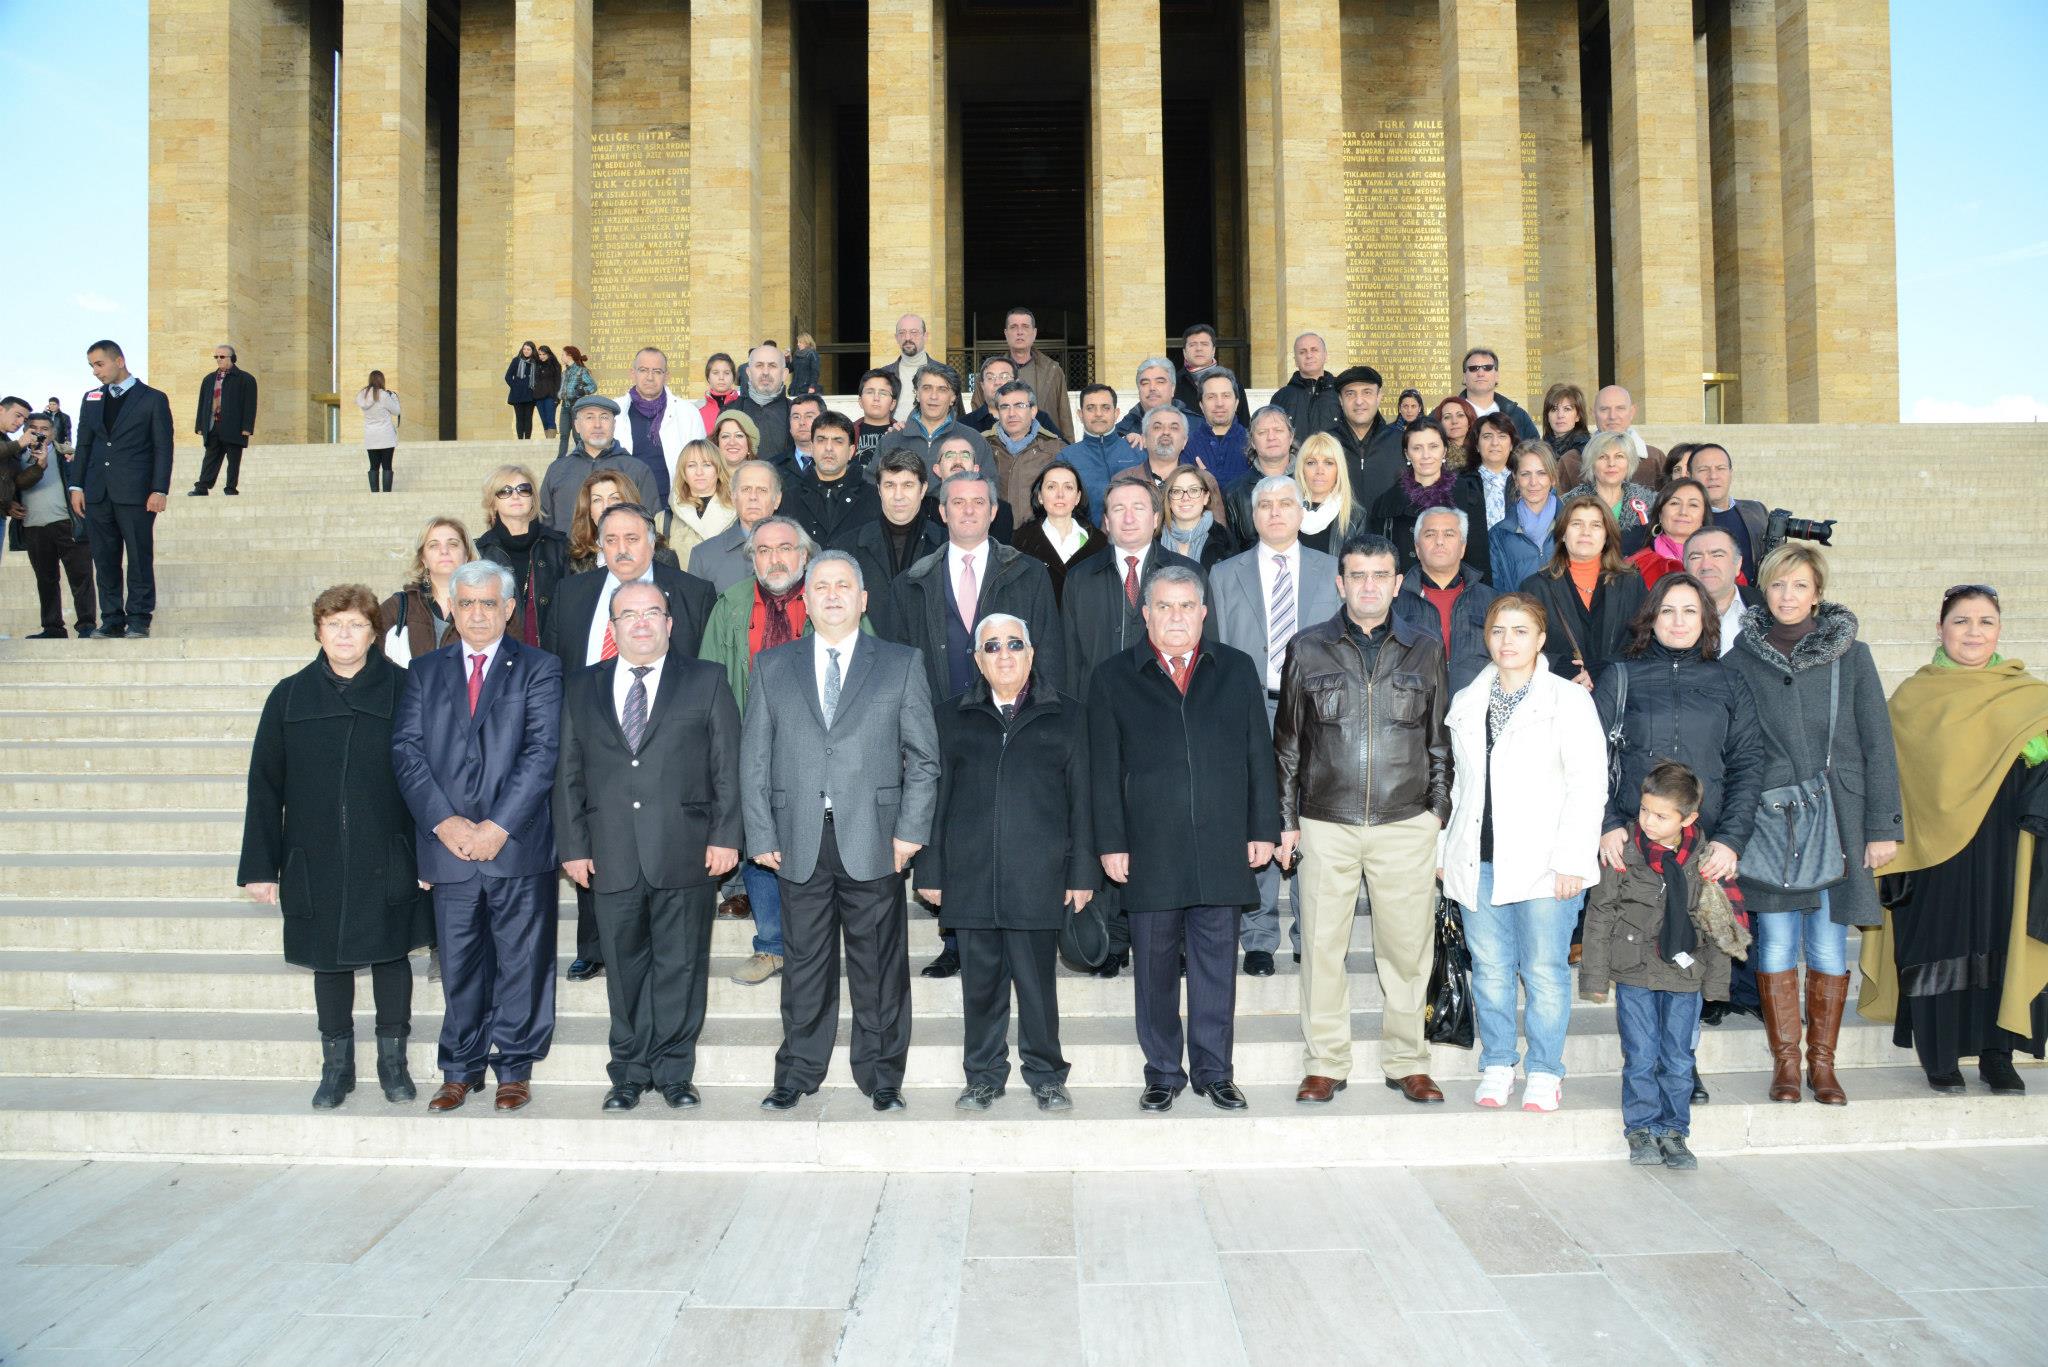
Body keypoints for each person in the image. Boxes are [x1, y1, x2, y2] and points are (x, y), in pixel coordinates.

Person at [744, 550, 941, 1111]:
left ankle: (882, 1076)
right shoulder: (773, 666)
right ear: (805, 600)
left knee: (878, 962)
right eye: (821, 586)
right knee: (803, 962)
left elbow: (923, 757)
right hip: (796, 838)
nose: (832, 594)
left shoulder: (900, 663)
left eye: (843, 585)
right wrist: (758, 832)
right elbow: (754, 757)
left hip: (876, 836)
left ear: (863, 599)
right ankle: (798, 1070)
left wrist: (911, 831)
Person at [1090, 566, 1278, 1111]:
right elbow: (1103, 769)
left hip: (1222, 842)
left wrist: (1261, 828)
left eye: (1186, 606)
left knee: (1217, 966)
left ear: (1203, 613)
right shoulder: (1113, 677)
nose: (1176, 617)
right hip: (1148, 846)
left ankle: (1215, 1071)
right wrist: (1110, 842)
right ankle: (1162, 1073)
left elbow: (1257, 755)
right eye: (1164, 607)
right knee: (1152, 969)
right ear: (1145, 614)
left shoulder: (1236, 669)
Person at [1719, 545, 1901, 1104]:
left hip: (1838, 819)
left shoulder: (1854, 655)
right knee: (1774, 945)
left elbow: (1878, 743)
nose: (1788, 596)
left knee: (1825, 946)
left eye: (1799, 586)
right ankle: (1785, 1066)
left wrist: (1882, 826)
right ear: (1763, 592)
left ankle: (1823, 1065)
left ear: (1817, 592)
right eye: (1777, 586)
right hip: (1770, 823)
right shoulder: (1738, 660)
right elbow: (1732, 749)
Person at [1275, 533, 1452, 1106]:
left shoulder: (1425, 648)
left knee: (1406, 950)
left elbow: (1439, 740)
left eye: (1380, 576)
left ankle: (1408, 1060)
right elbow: (1287, 745)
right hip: (1326, 820)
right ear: (1340, 582)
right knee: (1322, 946)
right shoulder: (1306, 648)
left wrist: (1438, 817)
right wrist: (1286, 821)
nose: (1369, 586)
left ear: (1398, 583)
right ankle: (1325, 1061)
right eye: (1358, 575)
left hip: (1406, 822)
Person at [240, 583, 433, 1108]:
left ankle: (393, 1064)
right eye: (333, 625)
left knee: (392, 955)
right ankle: (337, 1067)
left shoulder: (405, 689)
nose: (344, 634)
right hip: (314, 853)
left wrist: (429, 854)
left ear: (373, 633)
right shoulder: (288, 696)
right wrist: (261, 866)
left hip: (388, 849)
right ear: (319, 632)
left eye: (355, 625)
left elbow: (427, 777)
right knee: (329, 959)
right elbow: (265, 784)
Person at [553, 580, 741, 1111]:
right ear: (613, 628)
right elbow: (566, 773)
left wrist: (727, 836)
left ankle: (675, 1071)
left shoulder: (706, 680)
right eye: (628, 614)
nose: (640, 622)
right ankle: (629, 1072)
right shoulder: (580, 687)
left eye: (651, 613)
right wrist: (572, 846)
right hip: (609, 851)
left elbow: (728, 766)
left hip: (686, 849)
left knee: (681, 965)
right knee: (624, 966)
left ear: (669, 622)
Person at [389, 559, 562, 1112]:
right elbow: (407, 752)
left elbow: (542, 754)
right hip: (450, 849)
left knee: (522, 962)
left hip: (516, 845)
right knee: (460, 963)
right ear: (451, 609)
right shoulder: (423, 671)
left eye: (490, 603)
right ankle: (460, 1068)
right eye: (467, 603)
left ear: (510, 609)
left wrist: (497, 826)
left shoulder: (539, 668)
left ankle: (514, 1067)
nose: (479, 614)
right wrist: (445, 823)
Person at [1862, 585, 2048, 1095]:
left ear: (2000, 630)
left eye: (1985, 621)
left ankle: (1997, 1056)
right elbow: (1889, 773)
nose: (1973, 631)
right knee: (1937, 945)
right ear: (1940, 630)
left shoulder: (2031, 696)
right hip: (1932, 848)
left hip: (2006, 845)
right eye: (1961, 621)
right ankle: (1939, 1055)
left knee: (2001, 943)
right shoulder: (1913, 697)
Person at [916, 613, 1093, 1110]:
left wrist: (1082, 872)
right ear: (977, 660)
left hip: (1038, 876)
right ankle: (983, 1075)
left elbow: (1083, 801)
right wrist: (930, 871)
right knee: (980, 988)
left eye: (1015, 643)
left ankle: (1046, 1074)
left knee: (1038, 988)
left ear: (1032, 653)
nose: (1004, 654)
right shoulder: (950, 716)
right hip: (970, 876)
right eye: (991, 646)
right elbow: (934, 797)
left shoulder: (1069, 715)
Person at [1440, 593, 1606, 1111]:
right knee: (1488, 969)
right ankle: (1496, 1062)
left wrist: (1573, 861)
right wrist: (1445, 850)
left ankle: (1544, 1069)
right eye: (1497, 631)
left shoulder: (1568, 700)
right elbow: (1456, 787)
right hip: (1480, 859)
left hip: (1545, 865)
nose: (1506, 641)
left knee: (1543, 970)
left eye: (1519, 631)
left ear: (1539, 640)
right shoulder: (1468, 699)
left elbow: (1588, 784)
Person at [1060, 472, 1211, 978]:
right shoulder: (1082, 578)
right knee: (1109, 823)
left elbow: (1205, 650)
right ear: (1104, 521)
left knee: (1169, 829)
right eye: (1118, 508)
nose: (1128, 516)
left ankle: (1183, 944)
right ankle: (1113, 941)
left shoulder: (1185, 573)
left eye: (1139, 507)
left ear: (1157, 516)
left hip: (1170, 724)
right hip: (1101, 724)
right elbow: (1070, 661)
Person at [1580, 761, 1749, 1170]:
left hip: (1685, 974)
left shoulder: (1707, 862)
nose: (1648, 822)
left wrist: (1715, 987)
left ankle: (1674, 1131)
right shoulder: (1624, 854)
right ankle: (1640, 1129)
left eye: (1661, 816)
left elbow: (1717, 927)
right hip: (1634, 969)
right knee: (1640, 1054)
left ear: (1688, 818)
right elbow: (1601, 915)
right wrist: (1596, 975)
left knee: (1677, 1057)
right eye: (1643, 811)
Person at [1210, 475, 1340, 972]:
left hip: (1318, 712)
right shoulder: (1225, 574)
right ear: (1253, 513)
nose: (1276, 512)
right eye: (1264, 504)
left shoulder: (1334, 571)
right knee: (1259, 815)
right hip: (1251, 708)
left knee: (1315, 818)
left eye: (1286, 503)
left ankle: (1311, 932)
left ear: (1302, 511)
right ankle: (1259, 934)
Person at [701, 515, 830, 983]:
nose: (774, 559)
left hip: (819, 749)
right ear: (751, 558)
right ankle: (771, 945)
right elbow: (710, 680)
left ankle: (815, 946)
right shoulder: (731, 605)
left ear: (803, 555)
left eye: (784, 549)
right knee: (760, 843)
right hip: (749, 746)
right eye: (763, 550)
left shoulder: (831, 596)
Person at [1595, 572, 1765, 909]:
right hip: (1631, 839)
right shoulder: (1620, 676)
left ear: (1705, 619)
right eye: (1667, 611)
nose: (1678, 622)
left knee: (1703, 956)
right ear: (1651, 617)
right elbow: (1589, 760)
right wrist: (1608, 823)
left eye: (1689, 611)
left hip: (1706, 843)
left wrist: (1730, 840)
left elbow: (1747, 764)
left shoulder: (1730, 681)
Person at [70, 340, 173, 639]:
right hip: (97, 493)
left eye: (99, 364)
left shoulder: (152, 398)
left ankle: (139, 618)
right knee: (104, 558)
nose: (95, 372)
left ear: (119, 360)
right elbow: (85, 443)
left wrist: (159, 489)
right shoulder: (90, 398)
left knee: (140, 557)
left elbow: (162, 446)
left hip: (137, 493)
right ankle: (112, 619)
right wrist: (77, 485)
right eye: (91, 366)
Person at [1519, 494, 1647, 689]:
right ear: (1562, 534)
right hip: (1558, 692)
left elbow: (1644, 640)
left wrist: (1604, 668)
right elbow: (1522, 643)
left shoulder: (1631, 582)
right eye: (1576, 524)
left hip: (1620, 692)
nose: (1586, 532)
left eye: (1596, 525)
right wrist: (1559, 667)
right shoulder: (1535, 587)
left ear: (1606, 536)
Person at [1393, 507, 1498, 693]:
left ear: (1463, 547)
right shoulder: (1394, 602)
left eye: (1449, 534)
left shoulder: (1492, 601)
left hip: (1475, 711)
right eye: (1430, 534)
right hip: (1413, 714)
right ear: (1417, 548)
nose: (1439, 541)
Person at [1370, 419, 1488, 578]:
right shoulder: (1386, 504)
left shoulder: (1468, 498)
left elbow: (1479, 563)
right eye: (1417, 448)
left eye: (1433, 447)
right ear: (1407, 454)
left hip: (1456, 595)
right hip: (1403, 596)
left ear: (1444, 451)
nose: (1426, 455)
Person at [15, 410, 97, 639]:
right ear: (25, 430)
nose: (40, 433)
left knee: (81, 577)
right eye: (34, 429)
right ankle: (52, 627)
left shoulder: (67, 456)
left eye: (45, 429)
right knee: (46, 579)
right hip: (33, 526)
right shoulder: (16, 457)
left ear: (53, 432)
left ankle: (87, 626)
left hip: (68, 523)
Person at [835, 449, 943, 619]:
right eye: (890, 485)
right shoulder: (847, 547)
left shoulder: (946, 546)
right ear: (878, 490)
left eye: (908, 485)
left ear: (923, 490)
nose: (898, 496)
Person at [474, 465, 567, 649]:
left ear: (533, 498)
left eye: (523, 489)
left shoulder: (560, 547)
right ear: (493, 502)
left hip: (552, 656)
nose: (515, 495)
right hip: (497, 658)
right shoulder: (478, 553)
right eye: (505, 491)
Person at [539, 394, 659, 533]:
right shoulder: (557, 470)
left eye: (604, 417)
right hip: (567, 553)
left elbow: (651, 525)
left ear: (614, 425)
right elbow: (544, 522)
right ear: (577, 426)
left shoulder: (637, 470)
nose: (597, 425)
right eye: (589, 417)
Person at [612, 346, 709, 507]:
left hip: (674, 507)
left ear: (667, 376)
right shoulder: (614, 412)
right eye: (643, 370)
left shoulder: (688, 413)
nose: (650, 377)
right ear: (632, 374)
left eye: (657, 371)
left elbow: (702, 461)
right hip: (626, 506)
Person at [376, 517, 472, 664]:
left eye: (453, 544)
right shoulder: (398, 606)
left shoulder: (489, 604)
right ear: (423, 558)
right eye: (434, 545)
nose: (444, 551)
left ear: (466, 555)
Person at [1009, 459, 1105, 605]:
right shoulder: (1020, 541)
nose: (1060, 494)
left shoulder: (1099, 543)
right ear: (1040, 496)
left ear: (1078, 497)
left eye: (1068, 487)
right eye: (1051, 487)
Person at [874, 361, 994, 472]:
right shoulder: (892, 440)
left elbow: (988, 487)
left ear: (953, 397)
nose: (934, 396)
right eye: (927, 388)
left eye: (942, 389)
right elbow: (871, 485)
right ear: (917, 393)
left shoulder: (974, 440)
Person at [689, 458, 784, 594]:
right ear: (733, 497)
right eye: (746, 489)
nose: (753, 497)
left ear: (777, 499)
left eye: (762, 490)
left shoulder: (803, 550)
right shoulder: (704, 556)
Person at [786, 412, 880, 545]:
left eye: (838, 441)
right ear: (812, 448)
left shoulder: (873, 499)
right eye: (821, 440)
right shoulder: (789, 499)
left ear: (851, 451)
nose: (829, 448)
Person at [1687, 443, 1768, 584]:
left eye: (1721, 468)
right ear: (1689, 476)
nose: (1713, 476)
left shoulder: (1756, 511)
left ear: (1731, 473)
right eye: (1703, 470)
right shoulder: (1683, 519)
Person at [1326, 364, 1402, 515]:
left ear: (1379, 396)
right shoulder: (1326, 444)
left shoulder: (1400, 442)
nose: (1359, 401)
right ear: (1340, 400)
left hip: (1387, 537)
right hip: (1339, 537)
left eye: (1367, 392)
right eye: (1350, 394)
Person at [1060, 383, 1140, 525]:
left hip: (1133, 539)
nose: (1098, 414)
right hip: (1087, 542)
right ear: (1080, 414)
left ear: (1116, 413)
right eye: (1090, 408)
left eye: (1105, 407)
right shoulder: (1066, 458)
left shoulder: (1137, 451)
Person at [1558, 385, 1666, 490]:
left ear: (1632, 412)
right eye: (1604, 409)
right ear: (1593, 413)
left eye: (1620, 408)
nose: (1612, 416)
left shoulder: (1655, 458)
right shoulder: (1571, 461)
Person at [1488, 441, 1560, 593]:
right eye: (1525, 474)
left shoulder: (1571, 525)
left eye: (1542, 473)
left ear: (1552, 478)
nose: (1533, 482)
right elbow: (1497, 591)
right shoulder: (1499, 535)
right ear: (1515, 479)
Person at [987, 379, 1066, 515]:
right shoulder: (984, 446)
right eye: (1004, 407)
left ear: (1033, 410)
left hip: (1038, 532)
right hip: (995, 531)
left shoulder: (1055, 449)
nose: (1011, 413)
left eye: (1019, 406)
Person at [188, 343, 257, 496]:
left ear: (232, 358)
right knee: (210, 457)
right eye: (216, 357)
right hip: (214, 426)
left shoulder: (246, 379)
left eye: (222, 356)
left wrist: (247, 427)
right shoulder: (209, 379)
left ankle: (230, 487)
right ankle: (202, 486)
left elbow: (250, 405)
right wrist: (200, 425)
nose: (218, 359)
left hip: (234, 426)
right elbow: (203, 403)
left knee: (233, 459)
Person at [1684, 527, 1762, 657]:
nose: (1706, 565)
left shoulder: (1768, 608)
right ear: (1685, 567)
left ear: (1737, 564)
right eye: (1696, 557)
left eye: (1717, 555)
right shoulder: (1665, 614)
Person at [998, 307, 1074, 440]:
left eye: (1025, 327)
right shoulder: (991, 374)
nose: (1020, 332)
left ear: (1034, 333)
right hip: (1002, 449)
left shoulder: (1053, 371)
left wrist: (1069, 450)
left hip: (1045, 448)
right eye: (1014, 327)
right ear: (1006, 333)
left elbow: (1064, 416)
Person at [1573, 430, 1658, 549]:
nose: (1611, 463)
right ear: (1591, 463)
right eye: (1602, 457)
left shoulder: (1651, 503)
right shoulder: (1569, 504)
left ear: (1629, 462)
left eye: (1619, 456)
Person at [1224, 406, 1296, 539]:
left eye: (1278, 430)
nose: (1271, 437)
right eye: (1262, 432)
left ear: (1291, 437)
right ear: (1252, 442)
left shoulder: (1311, 483)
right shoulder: (1233, 493)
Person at [1293, 431, 1368, 557]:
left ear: (1339, 469)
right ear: (1301, 468)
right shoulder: (1285, 510)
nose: (1319, 471)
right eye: (1311, 462)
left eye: (1328, 463)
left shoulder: (1355, 516)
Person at [1626, 478, 1712, 588]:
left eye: (1693, 505)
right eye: (1674, 503)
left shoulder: (1721, 562)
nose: (1683, 512)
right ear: (1660, 514)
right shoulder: (1637, 565)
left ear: (1704, 517)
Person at [566, 468, 654, 575]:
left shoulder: (660, 555)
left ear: (630, 503)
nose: (606, 506)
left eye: (614, 498)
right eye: (597, 500)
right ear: (589, 511)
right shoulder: (575, 561)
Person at [667, 439, 737, 563]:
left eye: (707, 465)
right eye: (691, 465)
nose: (699, 472)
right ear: (683, 472)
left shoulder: (740, 513)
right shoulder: (664, 519)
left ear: (718, 469)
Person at [1159, 465, 1240, 569]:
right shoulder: (1153, 539)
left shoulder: (1224, 539)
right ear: (1168, 500)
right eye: (1177, 491)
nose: (1185, 498)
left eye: (1193, 490)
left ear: (1206, 497)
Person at [1172, 324, 1251, 428]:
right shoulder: (1174, 384)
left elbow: (1244, 422)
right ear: (1184, 352)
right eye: (1192, 345)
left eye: (1204, 344)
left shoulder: (1231, 381)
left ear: (1213, 350)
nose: (1199, 349)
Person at [1185, 368, 1251, 490]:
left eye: (1226, 396)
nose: (1219, 403)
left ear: (1236, 402)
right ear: (1201, 405)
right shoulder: (1187, 445)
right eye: (1211, 397)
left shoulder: (1253, 443)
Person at [1458, 346, 1540, 439]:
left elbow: (1536, 450)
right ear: (1464, 377)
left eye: (1487, 368)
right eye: (1473, 368)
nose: (1480, 374)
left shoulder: (1519, 416)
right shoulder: (1444, 414)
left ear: (1497, 376)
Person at [1462, 412, 1519, 543]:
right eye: (1487, 437)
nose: (1495, 443)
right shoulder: (1462, 483)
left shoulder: (1524, 481)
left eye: (1502, 436)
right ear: (1476, 445)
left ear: (1511, 445)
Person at [1272, 331, 1340, 438]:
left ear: (1325, 356)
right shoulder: (1281, 397)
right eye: (1302, 352)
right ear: (1295, 361)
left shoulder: (1341, 391)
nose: (1309, 355)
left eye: (1314, 350)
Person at [1113, 356, 1191, 447]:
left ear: (1173, 388)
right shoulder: (1120, 433)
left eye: (1160, 382)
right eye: (1145, 383)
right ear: (1139, 390)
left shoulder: (1196, 427)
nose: (1152, 388)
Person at [880, 313, 944, 421]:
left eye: (914, 332)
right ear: (896, 338)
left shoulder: (944, 373)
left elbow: (956, 414)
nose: (908, 337)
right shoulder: (884, 375)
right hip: (894, 435)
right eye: (902, 333)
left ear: (925, 336)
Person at [738, 343, 795, 463]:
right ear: (748, 373)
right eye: (759, 365)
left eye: (772, 366)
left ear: (784, 374)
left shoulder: (796, 414)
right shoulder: (731, 412)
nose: (765, 372)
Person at [356, 371, 403, 492]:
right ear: (382, 380)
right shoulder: (383, 395)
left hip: (371, 436)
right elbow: (396, 411)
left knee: (373, 466)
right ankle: (386, 493)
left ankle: (374, 492)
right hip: (386, 435)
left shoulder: (363, 395)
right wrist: (394, 398)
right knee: (387, 465)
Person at [853, 369, 902, 471]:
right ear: (860, 401)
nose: (876, 398)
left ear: (893, 404)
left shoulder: (902, 434)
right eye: (870, 392)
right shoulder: (847, 432)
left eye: (883, 393)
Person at [555, 346, 598, 457]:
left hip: (577, 407)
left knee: (577, 436)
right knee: (563, 435)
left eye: (563, 355)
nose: (561, 357)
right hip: (565, 406)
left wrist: (582, 391)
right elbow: (562, 389)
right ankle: (560, 460)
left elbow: (593, 386)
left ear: (570, 356)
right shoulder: (564, 373)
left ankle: (583, 458)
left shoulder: (581, 371)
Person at [1136, 405, 1190, 488]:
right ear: (1144, 439)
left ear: (1185, 441)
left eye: (1174, 428)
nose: (1166, 432)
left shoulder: (1201, 481)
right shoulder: (1123, 481)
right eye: (1157, 427)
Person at [1541, 382, 1590, 469]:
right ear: (1547, 416)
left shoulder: (1586, 450)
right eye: (1554, 409)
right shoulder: (1540, 448)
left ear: (1578, 416)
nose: (1560, 415)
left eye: (1567, 409)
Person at [963, 356, 1014, 433]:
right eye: (990, 378)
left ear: (1016, 382)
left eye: (1004, 376)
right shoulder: (964, 426)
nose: (997, 382)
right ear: (982, 385)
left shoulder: (1036, 419)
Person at [1431, 395, 1479, 468]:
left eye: (1460, 415)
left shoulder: (1482, 451)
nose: (1454, 421)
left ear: (1469, 422)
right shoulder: (1433, 455)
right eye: (1447, 417)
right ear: (1440, 424)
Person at [504, 341, 540, 439]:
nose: (526, 351)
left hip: (530, 394)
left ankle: (527, 440)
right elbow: (507, 377)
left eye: (528, 349)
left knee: (528, 418)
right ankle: (520, 439)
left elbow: (539, 378)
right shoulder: (516, 360)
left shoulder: (536, 362)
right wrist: (515, 387)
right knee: (519, 418)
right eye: (524, 349)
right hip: (517, 395)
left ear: (533, 350)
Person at [698, 352, 741, 431]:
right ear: (708, 378)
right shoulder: (697, 409)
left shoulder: (744, 405)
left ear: (733, 377)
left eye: (726, 373)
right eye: (715, 373)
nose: (721, 377)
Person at [785, 392, 825, 476]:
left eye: (809, 416)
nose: (802, 422)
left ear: (824, 422)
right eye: (796, 417)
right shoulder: (774, 467)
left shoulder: (839, 463)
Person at [533, 345, 563, 437]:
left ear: (549, 354)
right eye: (540, 354)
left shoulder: (555, 365)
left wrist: (557, 398)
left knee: (550, 419)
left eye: (543, 354)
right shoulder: (536, 365)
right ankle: (548, 440)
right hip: (538, 397)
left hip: (550, 396)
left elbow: (558, 382)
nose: (541, 356)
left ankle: (551, 442)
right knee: (544, 421)